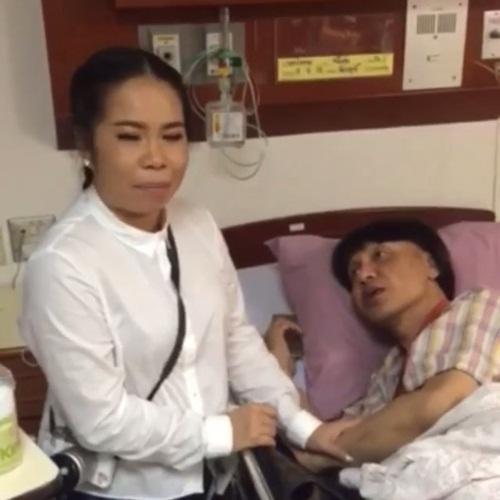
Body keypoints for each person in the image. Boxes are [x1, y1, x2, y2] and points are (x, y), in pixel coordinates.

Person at [20, 47, 351, 500]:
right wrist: (220, 433)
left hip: (215, 477)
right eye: (130, 137)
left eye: (172, 136)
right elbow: (100, 418)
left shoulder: (197, 224)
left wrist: (304, 428)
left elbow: (235, 340)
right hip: (123, 491)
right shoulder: (63, 264)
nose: (157, 158)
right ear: (85, 144)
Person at [266, 218, 500, 470]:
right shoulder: (387, 373)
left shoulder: (478, 306)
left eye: (380, 255)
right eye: (353, 273)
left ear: (431, 265)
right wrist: (276, 369)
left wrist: (312, 461)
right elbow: (327, 436)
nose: (363, 275)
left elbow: (443, 401)